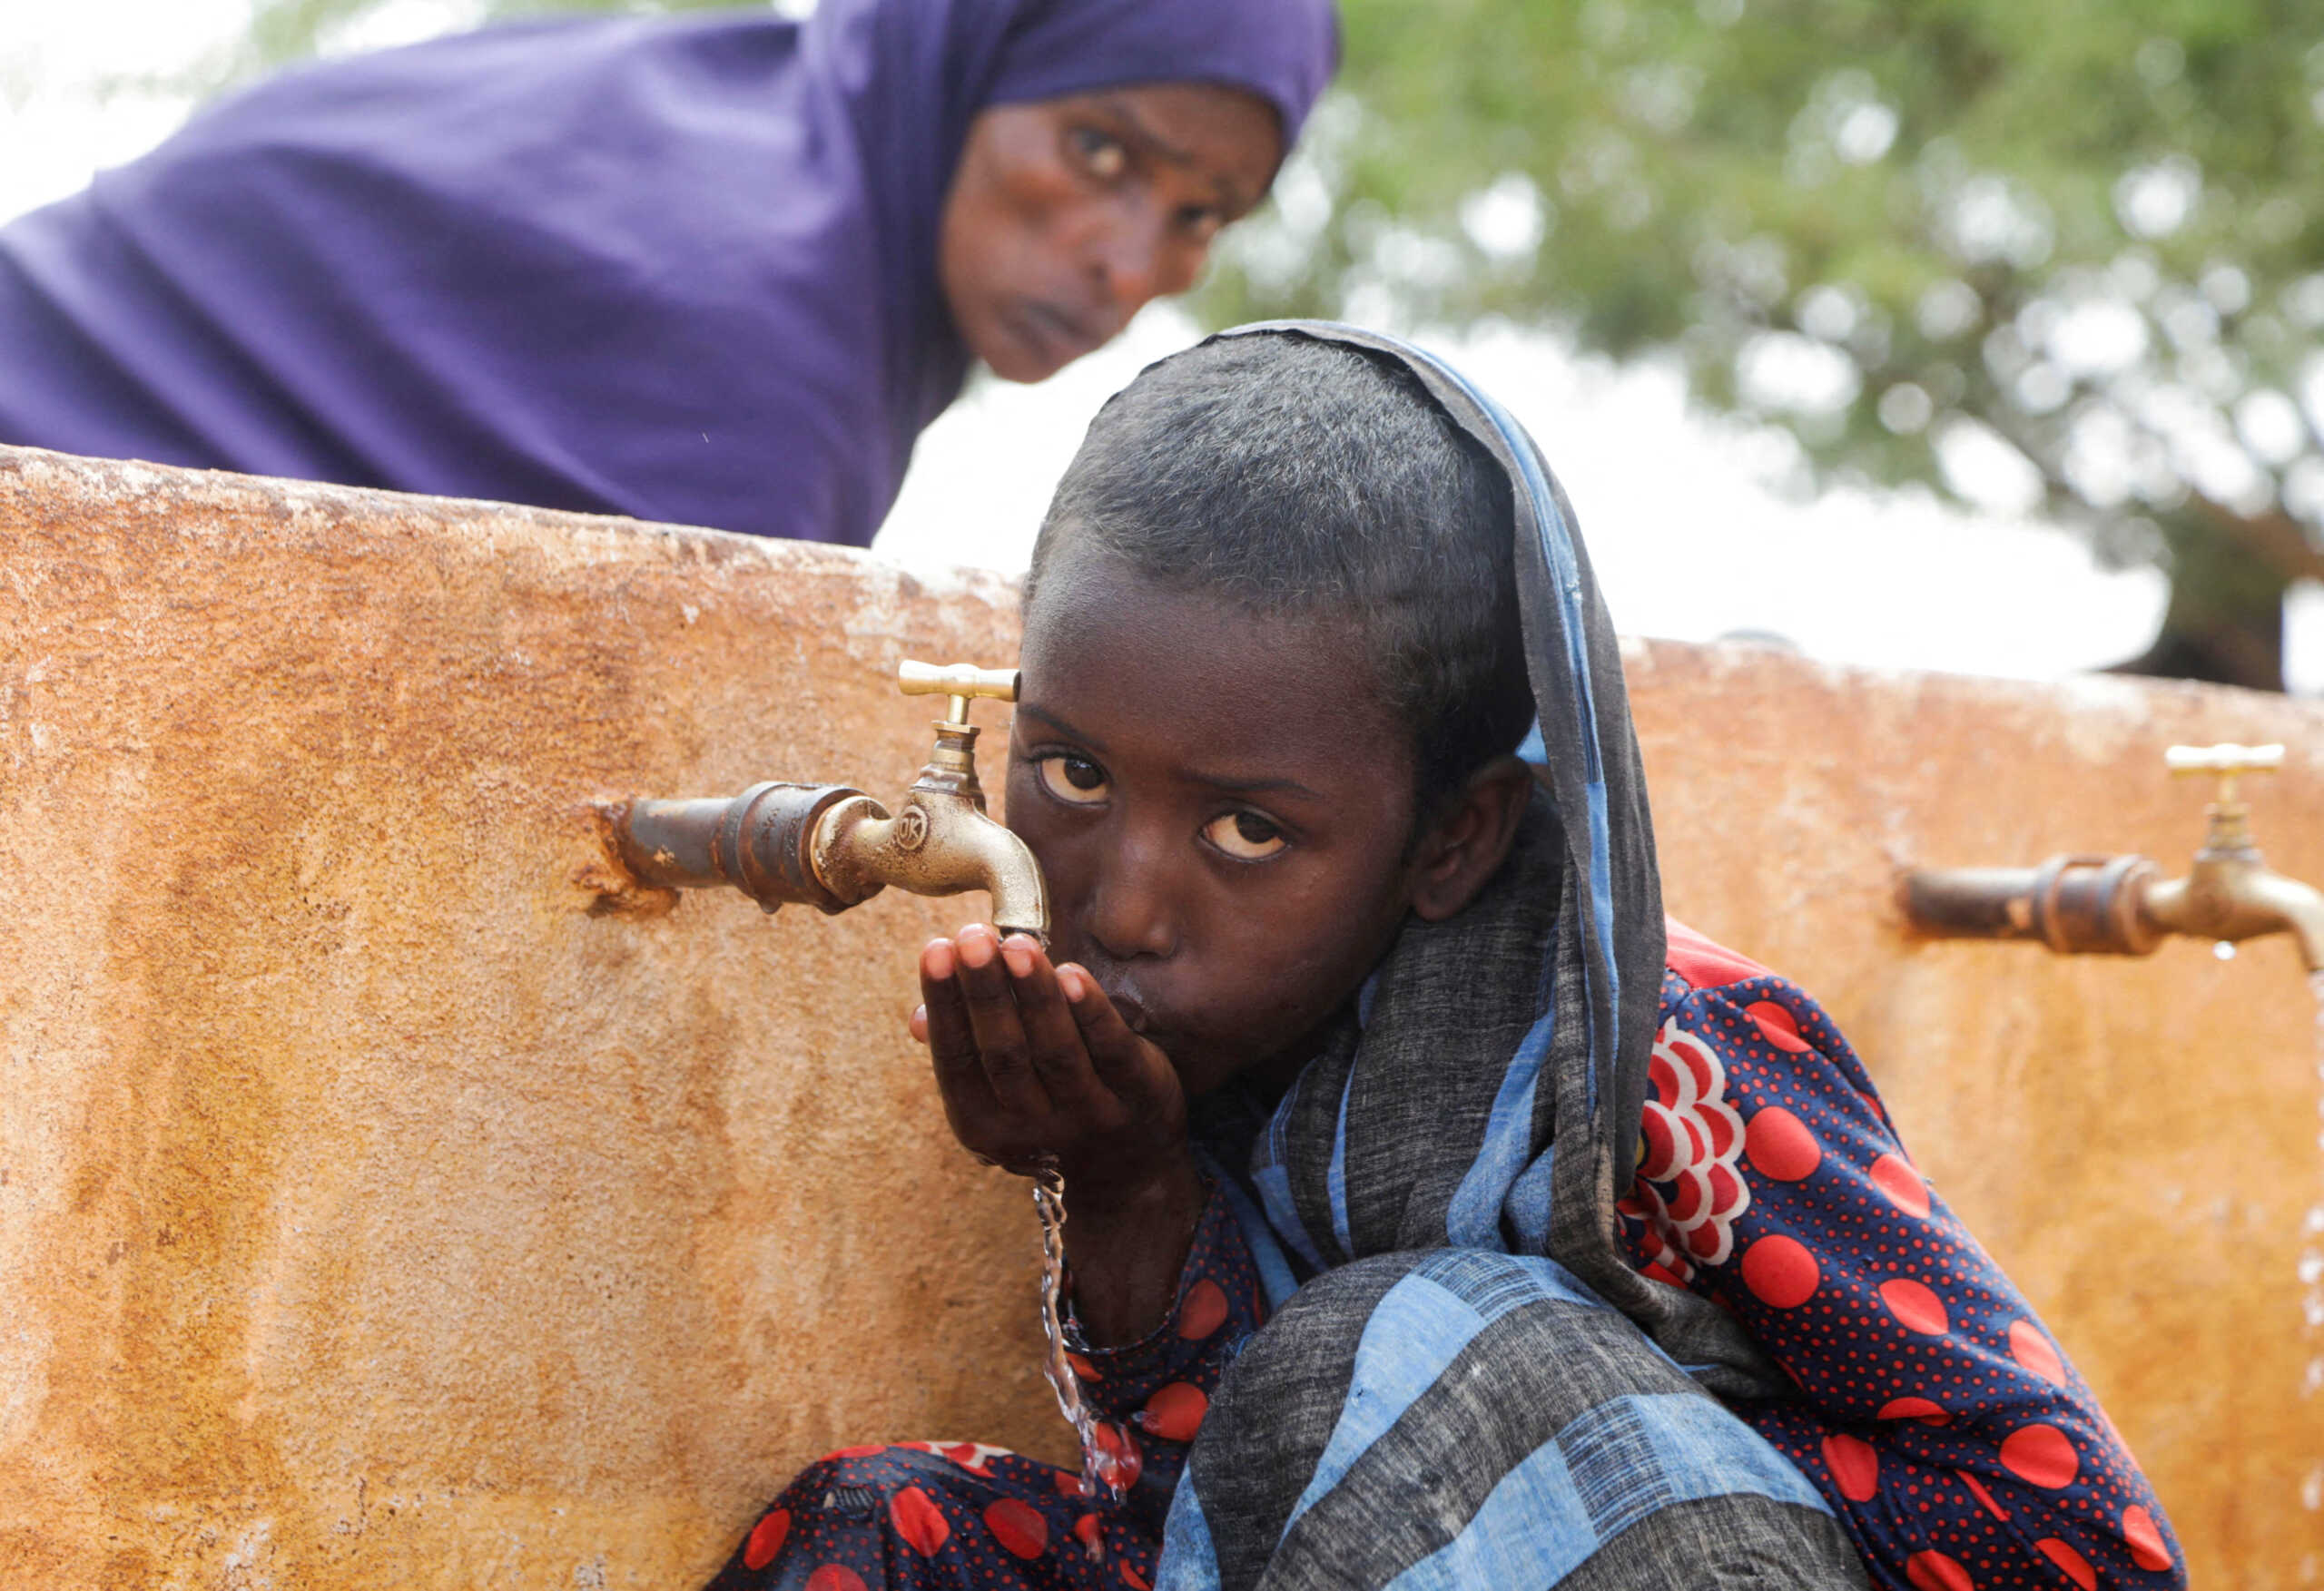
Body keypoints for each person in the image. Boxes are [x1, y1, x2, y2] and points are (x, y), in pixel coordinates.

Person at [700, 325, 2187, 1590]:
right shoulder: (1196, 1041)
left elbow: (2080, 1536)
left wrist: (1586, 1442)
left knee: (1423, 1346)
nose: (1125, 904)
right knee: (884, 1534)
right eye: (1073, 776)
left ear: (1453, 841)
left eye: (1245, 830)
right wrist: (1126, 1181)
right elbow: (1221, 1506)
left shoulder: (1662, 1057)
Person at [0, 0, 1333, 546]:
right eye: (1099, 150)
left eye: (1202, 215)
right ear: (967, 57)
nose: (1127, 261)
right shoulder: (766, 334)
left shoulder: (746, 111)